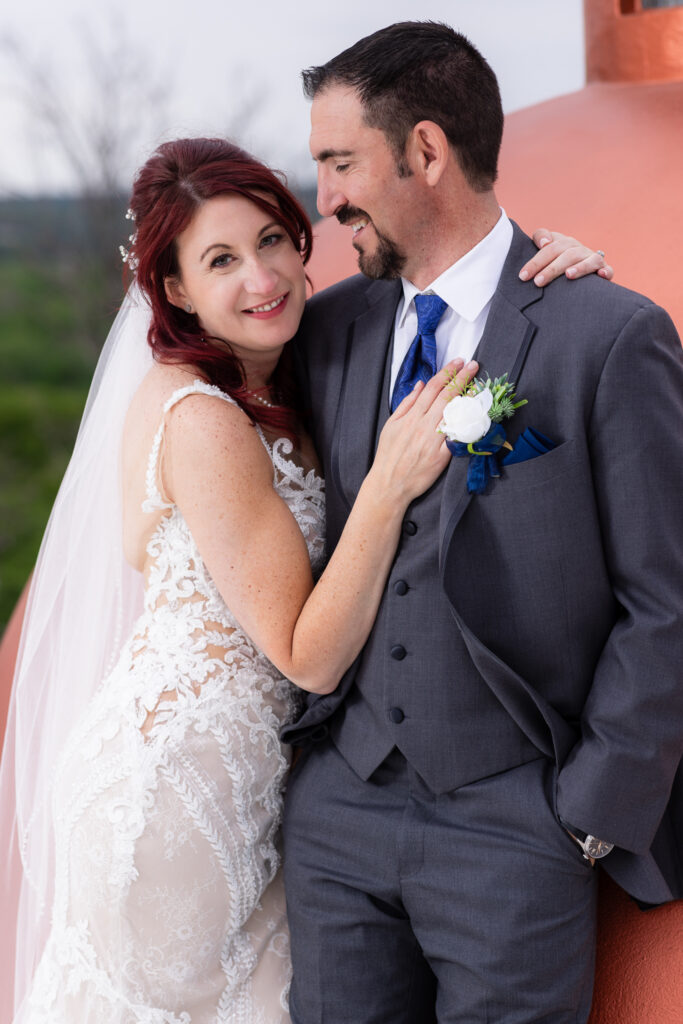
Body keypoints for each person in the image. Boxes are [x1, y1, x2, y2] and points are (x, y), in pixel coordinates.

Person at [0, 134, 608, 1023]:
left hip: (266, 788)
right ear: (174, 290)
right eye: (221, 260)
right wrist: (391, 483)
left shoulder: (301, 357)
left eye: (273, 241)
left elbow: (449, 289)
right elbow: (306, 659)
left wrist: (552, 265)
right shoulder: (202, 419)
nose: (262, 278)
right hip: (182, 799)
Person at [281, 21, 683, 1024]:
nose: (324, 199)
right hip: (337, 818)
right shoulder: (325, 331)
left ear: (423, 152)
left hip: (515, 830)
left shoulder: (604, 333)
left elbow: (664, 603)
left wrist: (583, 819)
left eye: (339, 162)